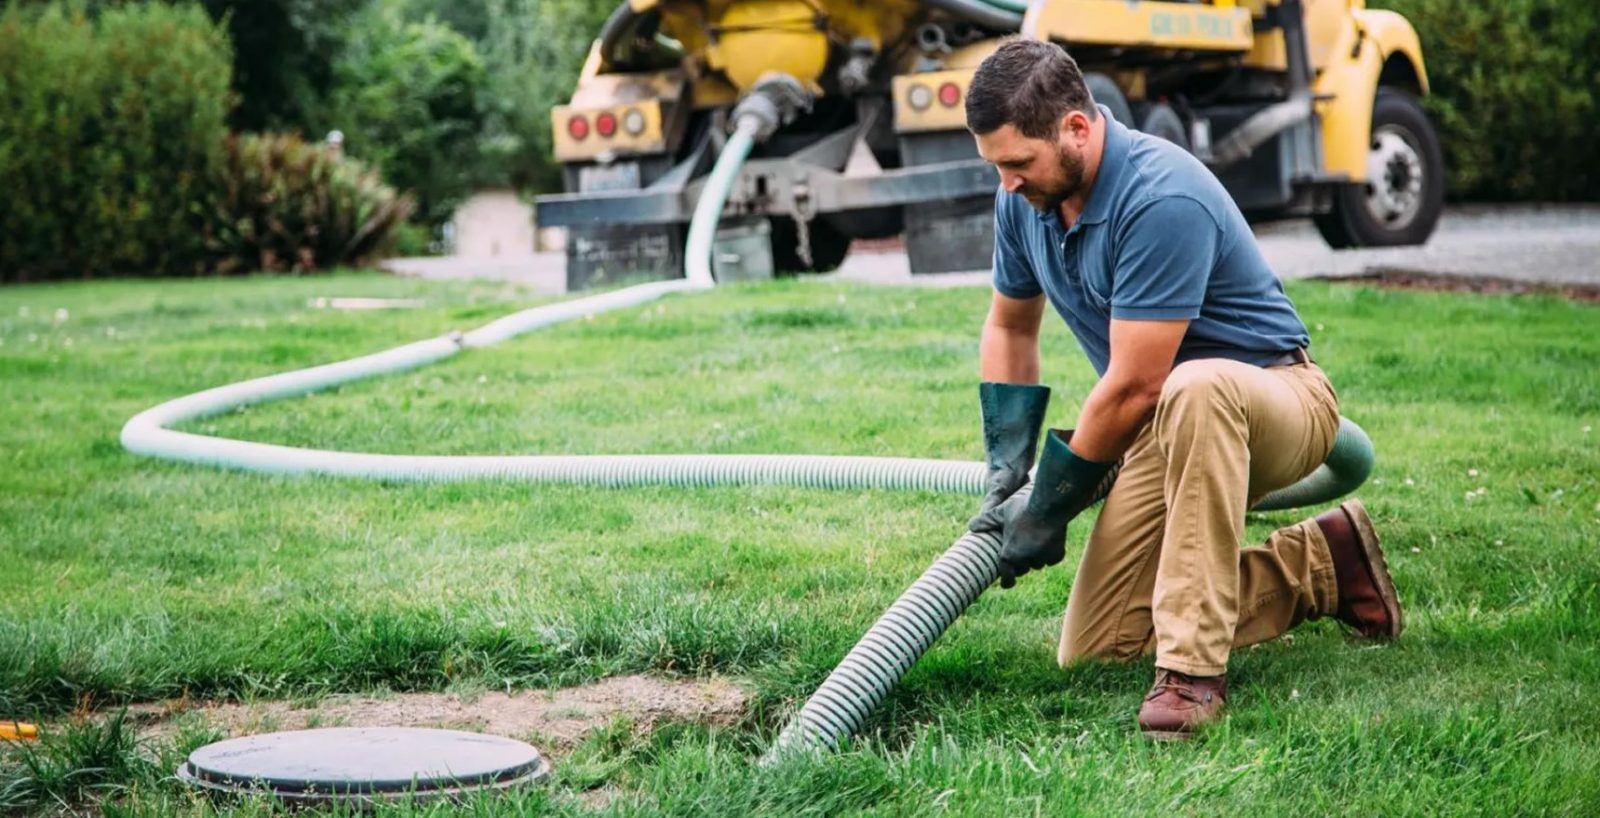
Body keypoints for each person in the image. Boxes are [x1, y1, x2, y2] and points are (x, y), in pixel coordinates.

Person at [963, 39, 1403, 740]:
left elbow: (1138, 383)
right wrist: (1008, 461)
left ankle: (1193, 674)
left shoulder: (1160, 195)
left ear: (1077, 127)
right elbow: (1010, 328)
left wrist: (1051, 506)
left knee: (1194, 386)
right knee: (1098, 648)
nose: (1008, 182)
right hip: (1165, 426)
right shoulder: (1023, 199)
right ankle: (1322, 565)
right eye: (997, 166)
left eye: (1019, 162)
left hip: (1273, 398)